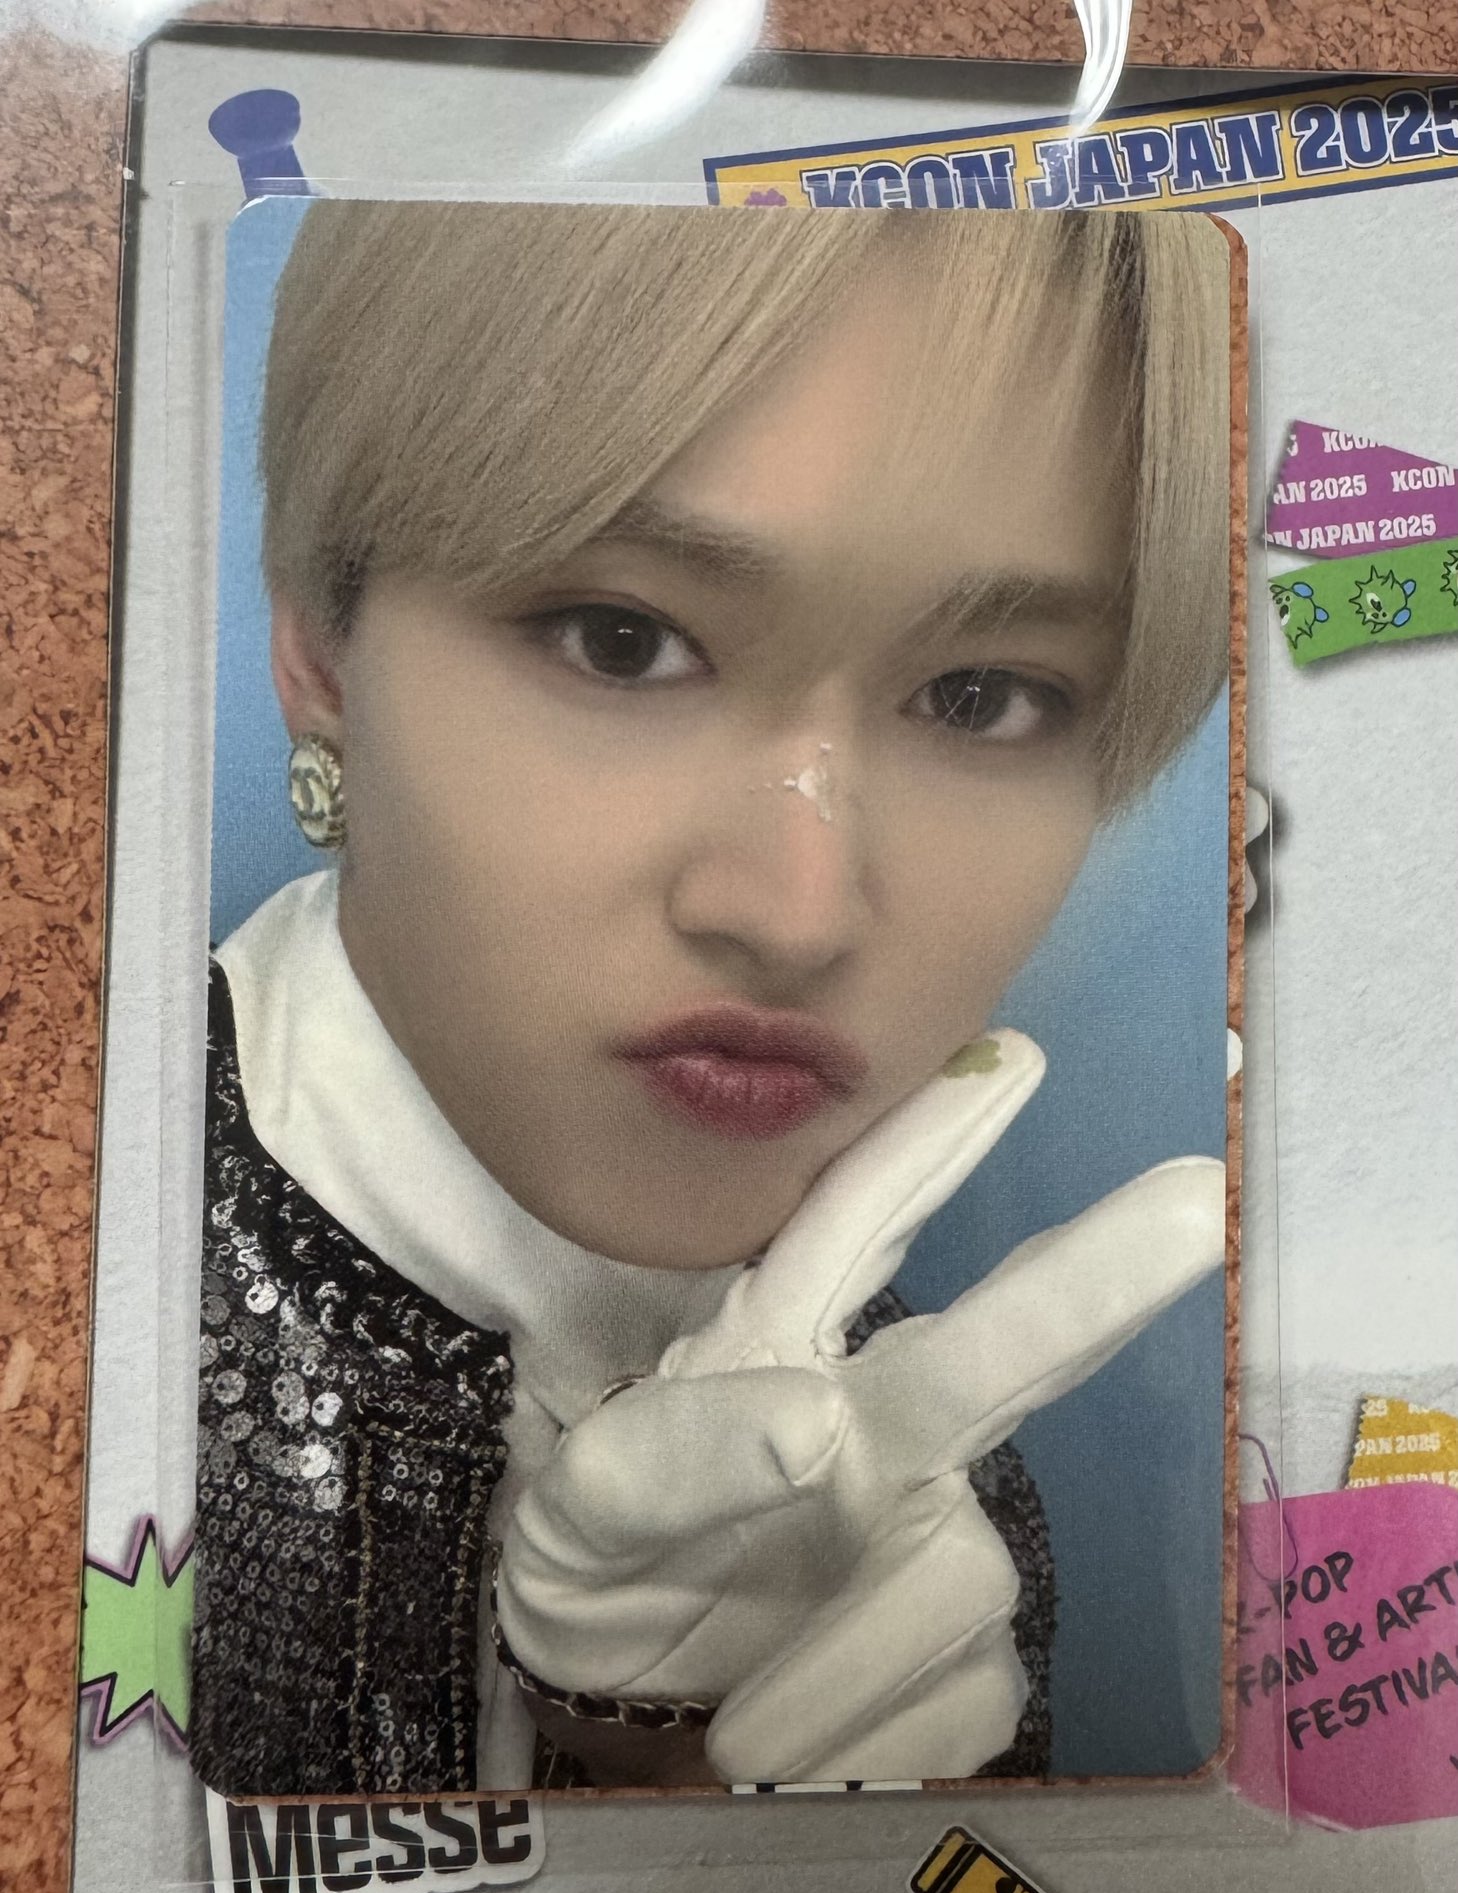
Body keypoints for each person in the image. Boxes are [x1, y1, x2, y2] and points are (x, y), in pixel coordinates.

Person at [188, 199, 1232, 1797]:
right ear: (321, 641)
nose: (795, 912)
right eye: (621, 641)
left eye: (982, 696)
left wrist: (684, 1801)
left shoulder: (909, 1502)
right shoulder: (74, 1263)